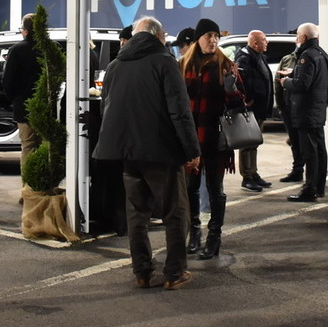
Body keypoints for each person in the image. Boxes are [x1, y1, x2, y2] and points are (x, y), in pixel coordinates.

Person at [93, 16, 201, 290]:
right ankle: (174, 273)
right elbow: (180, 111)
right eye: (164, 36)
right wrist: (191, 149)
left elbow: (107, 108)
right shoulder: (164, 62)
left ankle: (142, 272)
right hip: (161, 152)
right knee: (176, 213)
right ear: (158, 35)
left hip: (127, 153)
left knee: (137, 214)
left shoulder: (115, 65)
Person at [180, 18, 245, 260]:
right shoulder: (182, 66)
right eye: (208, 35)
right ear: (198, 39)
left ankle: (214, 237)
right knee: (190, 188)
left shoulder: (226, 65)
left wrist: (231, 89)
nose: (213, 40)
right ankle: (194, 234)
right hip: (190, 139)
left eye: (216, 36)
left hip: (216, 138)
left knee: (215, 189)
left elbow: (241, 105)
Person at [281, 23, 328, 202]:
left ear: (303, 37)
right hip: (318, 109)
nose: (296, 39)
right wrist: (295, 72)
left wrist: (286, 82)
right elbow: (326, 80)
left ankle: (309, 190)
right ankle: (319, 187)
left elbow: (302, 84)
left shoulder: (307, 56)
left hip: (306, 110)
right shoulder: (322, 54)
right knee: (319, 149)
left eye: (298, 36)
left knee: (310, 152)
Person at [3, 13, 42, 187]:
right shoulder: (51, 48)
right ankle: (43, 187)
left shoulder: (17, 50)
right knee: (45, 148)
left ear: (25, 31)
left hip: (24, 107)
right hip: (46, 107)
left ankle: (28, 189)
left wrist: (14, 99)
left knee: (28, 146)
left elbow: (8, 81)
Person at [235, 30, 273, 193]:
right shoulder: (244, 58)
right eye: (264, 40)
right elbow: (242, 82)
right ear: (255, 43)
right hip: (250, 110)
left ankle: (253, 173)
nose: (267, 42)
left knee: (254, 142)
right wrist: (249, 99)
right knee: (247, 143)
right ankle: (247, 178)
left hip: (259, 108)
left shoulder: (258, 56)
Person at [274, 40, 304, 183]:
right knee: (294, 141)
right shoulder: (287, 59)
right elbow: (277, 82)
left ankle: (312, 175)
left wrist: (291, 76)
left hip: (304, 108)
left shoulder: (310, 58)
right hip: (288, 107)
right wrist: (280, 105)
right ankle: (297, 170)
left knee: (306, 142)